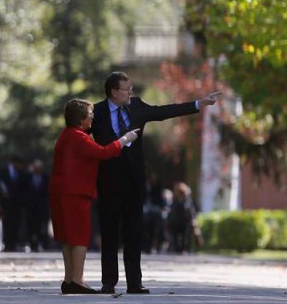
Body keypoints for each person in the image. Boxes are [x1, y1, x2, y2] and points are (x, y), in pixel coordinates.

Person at [91, 71, 220, 294]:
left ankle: (134, 283)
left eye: (131, 88)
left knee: (134, 233)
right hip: (108, 182)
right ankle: (108, 282)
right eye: (126, 89)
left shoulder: (137, 106)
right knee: (110, 233)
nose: (131, 92)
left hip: (134, 182)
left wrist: (199, 104)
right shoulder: (97, 112)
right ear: (113, 92)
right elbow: (79, 135)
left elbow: (164, 112)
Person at [49, 98, 140, 295]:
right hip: (75, 192)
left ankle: (69, 279)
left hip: (63, 190)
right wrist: (125, 139)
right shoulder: (77, 138)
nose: (93, 119)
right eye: (90, 116)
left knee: (68, 238)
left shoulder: (68, 135)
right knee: (80, 236)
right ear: (81, 120)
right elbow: (103, 152)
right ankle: (78, 280)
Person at [0, 156, 28, 252]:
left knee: (16, 224)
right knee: (6, 224)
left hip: (17, 204)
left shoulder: (21, 173)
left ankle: (14, 244)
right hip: (5, 203)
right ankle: (7, 244)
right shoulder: (3, 172)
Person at [26, 159, 49, 252]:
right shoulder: (28, 177)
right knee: (30, 226)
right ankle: (32, 244)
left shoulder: (46, 177)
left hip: (42, 207)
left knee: (42, 227)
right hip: (31, 207)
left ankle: (42, 244)